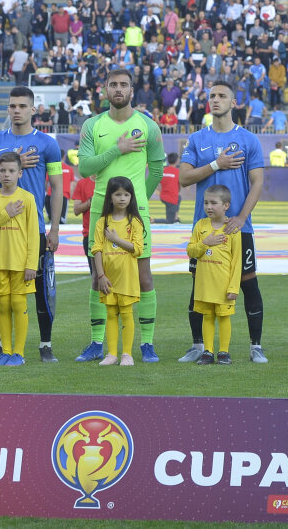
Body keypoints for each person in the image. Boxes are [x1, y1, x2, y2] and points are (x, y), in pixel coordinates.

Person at [75, 69, 165, 363]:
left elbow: (157, 170)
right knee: (97, 276)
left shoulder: (149, 126)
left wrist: (138, 202)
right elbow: (85, 168)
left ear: (132, 90)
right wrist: (117, 149)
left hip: (137, 217)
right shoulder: (92, 125)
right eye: (113, 84)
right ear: (105, 90)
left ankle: (146, 344)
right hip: (101, 215)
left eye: (123, 84)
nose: (118, 89)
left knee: (144, 276)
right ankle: (97, 343)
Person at [178, 81, 268, 364]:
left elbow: (257, 182)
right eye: (212, 96)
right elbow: (184, 179)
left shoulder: (249, 140)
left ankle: (255, 346)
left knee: (248, 284)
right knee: (199, 286)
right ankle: (198, 346)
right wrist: (216, 164)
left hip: (239, 229)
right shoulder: (195, 139)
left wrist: (241, 217)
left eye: (222, 96)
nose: (216, 100)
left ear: (234, 103)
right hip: (203, 228)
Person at [0, 86, 64, 365]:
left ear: (33, 109)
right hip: (1, 231)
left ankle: (45, 345)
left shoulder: (47, 143)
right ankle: (1, 346)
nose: (16, 110)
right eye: (12, 106)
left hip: (33, 229)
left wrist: (55, 229)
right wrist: (15, 161)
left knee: (38, 291)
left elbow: (57, 188)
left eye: (22, 106)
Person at [0, 152, 38, 366]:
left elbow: (33, 235)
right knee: (3, 306)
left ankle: (19, 354)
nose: (6, 174)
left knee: (18, 303)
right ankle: (6, 351)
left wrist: (32, 264)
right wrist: (6, 214)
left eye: (11, 171)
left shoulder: (28, 198)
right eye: (2, 170)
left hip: (21, 264)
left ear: (20, 173)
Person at [90, 176, 145, 366]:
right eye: (118, 194)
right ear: (110, 197)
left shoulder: (135, 222)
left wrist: (117, 239)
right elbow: (96, 249)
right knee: (111, 314)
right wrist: (101, 276)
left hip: (127, 278)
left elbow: (138, 249)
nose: (122, 198)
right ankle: (112, 354)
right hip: (108, 278)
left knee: (127, 313)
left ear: (131, 197)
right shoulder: (102, 222)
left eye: (126, 194)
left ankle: (127, 354)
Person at [186, 185, 243, 365]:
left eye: (213, 203)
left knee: (224, 317)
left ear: (226, 205)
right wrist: (206, 243)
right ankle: (208, 351)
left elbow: (237, 261)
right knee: (207, 317)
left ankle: (224, 352)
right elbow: (191, 251)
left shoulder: (232, 229)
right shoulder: (200, 226)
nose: (209, 207)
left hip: (223, 285)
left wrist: (233, 287)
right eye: (206, 203)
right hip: (204, 284)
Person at [160, 152, 181, 223]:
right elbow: (181, 185)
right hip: (171, 198)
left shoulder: (163, 171)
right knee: (170, 221)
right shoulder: (177, 172)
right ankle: (153, 220)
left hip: (164, 196)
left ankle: (176, 218)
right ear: (177, 160)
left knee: (179, 197)